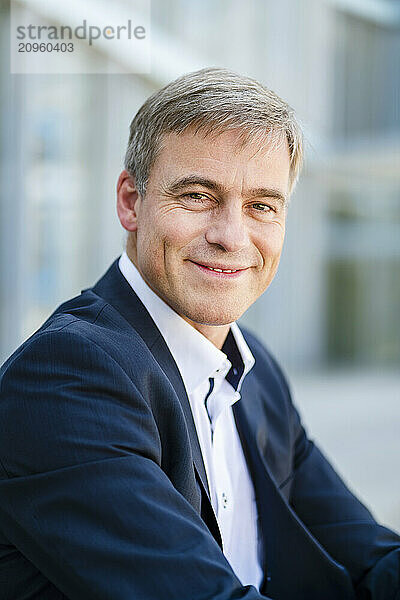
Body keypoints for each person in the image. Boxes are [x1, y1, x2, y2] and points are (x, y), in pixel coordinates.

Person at [0, 67, 398, 600]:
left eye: (261, 206)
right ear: (131, 201)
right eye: (197, 196)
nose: (232, 236)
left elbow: (368, 559)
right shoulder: (65, 378)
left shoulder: (254, 368)